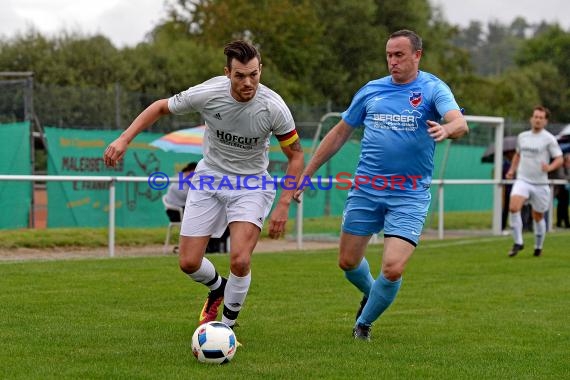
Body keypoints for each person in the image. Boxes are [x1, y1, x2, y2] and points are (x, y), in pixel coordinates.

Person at [104, 40, 304, 329]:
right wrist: (124, 139)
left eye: (254, 74)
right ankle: (217, 287)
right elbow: (160, 108)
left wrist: (284, 204)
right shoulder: (208, 93)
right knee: (188, 262)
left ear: (261, 69)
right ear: (227, 73)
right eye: (240, 76)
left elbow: (295, 155)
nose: (248, 82)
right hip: (209, 177)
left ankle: (226, 328)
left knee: (239, 259)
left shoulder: (273, 107)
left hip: (252, 185)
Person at [293, 29, 468, 341]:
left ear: (417, 55)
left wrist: (447, 128)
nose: (392, 61)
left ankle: (364, 323)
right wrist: (308, 171)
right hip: (366, 189)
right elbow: (339, 133)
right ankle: (374, 294)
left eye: (399, 55)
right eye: (389, 55)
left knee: (392, 267)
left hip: (409, 194)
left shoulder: (432, 88)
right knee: (347, 262)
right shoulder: (372, 91)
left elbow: (459, 122)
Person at [505, 106, 563, 257]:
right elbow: (518, 155)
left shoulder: (549, 138)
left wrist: (549, 167)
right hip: (523, 180)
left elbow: (559, 158)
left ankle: (538, 246)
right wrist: (512, 170)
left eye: (541, 118)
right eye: (535, 116)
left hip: (540, 184)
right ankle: (518, 242)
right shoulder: (523, 136)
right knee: (513, 207)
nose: (537, 120)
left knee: (538, 217)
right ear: (531, 118)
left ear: (545, 121)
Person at [554, 153, 570, 228]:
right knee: (561, 206)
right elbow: (561, 177)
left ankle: (565, 223)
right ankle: (560, 223)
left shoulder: (567, 167)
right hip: (558, 189)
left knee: (564, 206)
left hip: (564, 190)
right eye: (568, 161)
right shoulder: (560, 167)